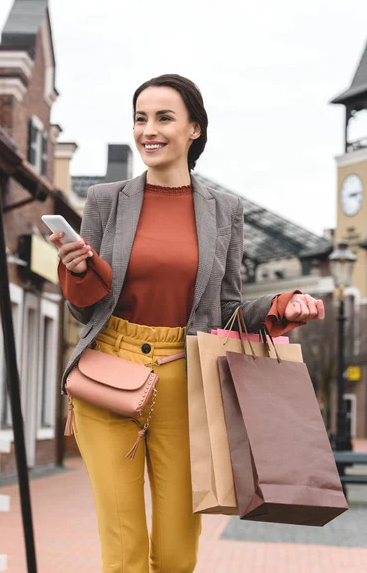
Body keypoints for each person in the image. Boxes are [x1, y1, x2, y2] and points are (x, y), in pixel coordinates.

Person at [50, 73, 325, 573]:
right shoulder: (106, 201)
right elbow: (83, 309)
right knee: (122, 543)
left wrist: (285, 304)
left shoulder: (225, 211)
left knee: (178, 551)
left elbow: (226, 311)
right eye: (140, 118)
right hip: (105, 372)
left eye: (163, 117)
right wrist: (77, 271)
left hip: (186, 379)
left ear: (194, 128)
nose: (147, 130)